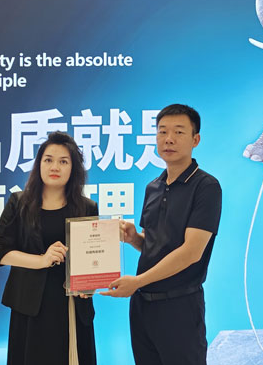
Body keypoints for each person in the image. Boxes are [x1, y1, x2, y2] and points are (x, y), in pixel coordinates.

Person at [101, 104, 222, 365]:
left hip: (180, 306)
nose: (168, 139)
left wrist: (138, 281)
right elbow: (154, 245)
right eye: (162, 131)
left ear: (195, 140)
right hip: (143, 307)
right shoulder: (153, 187)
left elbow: (191, 252)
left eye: (179, 132)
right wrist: (134, 238)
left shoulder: (206, 186)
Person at [0, 131, 98, 365]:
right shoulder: (18, 203)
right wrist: (42, 260)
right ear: (39, 164)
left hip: (71, 304)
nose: (55, 167)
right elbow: (2, 252)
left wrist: (90, 284)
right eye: (48, 160)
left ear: (73, 168)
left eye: (63, 162)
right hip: (30, 303)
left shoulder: (87, 207)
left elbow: (91, 255)